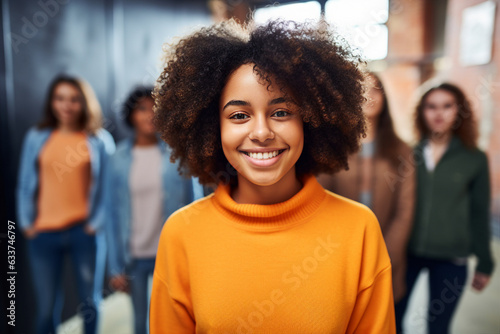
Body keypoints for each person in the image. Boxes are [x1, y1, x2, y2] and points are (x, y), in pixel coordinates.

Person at [149, 20, 396, 333]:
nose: (262, 133)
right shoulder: (181, 234)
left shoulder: (358, 229)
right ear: (213, 128)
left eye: (281, 112)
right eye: (239, 115)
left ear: (310, 120)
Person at [16, 75, 115, 334]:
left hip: (84, 233)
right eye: (60, 99)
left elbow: (108, 189)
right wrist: (26, 224)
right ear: (52, 102)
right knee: (46, 309)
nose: (66, 106)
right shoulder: (37, 137)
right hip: (43, 234)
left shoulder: (99, 140)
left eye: (73, 99)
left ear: (83, 103)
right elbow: (25, 184)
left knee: (91, 304)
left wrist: (96, 225)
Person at [395, 83, 495, 333]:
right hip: (407, 254)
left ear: (459, 111)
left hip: (452, 258)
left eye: (447, 106)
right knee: (392, 320)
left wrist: (485, 262)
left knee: (438, 327)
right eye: (431, 106)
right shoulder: (406, 153)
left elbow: (479, 212)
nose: (439, 113)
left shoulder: (474, 158)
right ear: (421, 112)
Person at [105, 86, 203, 334]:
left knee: (171, 323)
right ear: (131, 115)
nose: (149, 115)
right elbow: (112, 214)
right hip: (135, 256)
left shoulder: (177, 156)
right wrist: (115, 266)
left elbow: (194, 209)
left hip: (169, 255)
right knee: (140, 322)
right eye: (142, 109)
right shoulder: (117, 159)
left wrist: (195, 258)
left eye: (155, 109)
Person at [317, 72, 415, 303]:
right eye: (361, 90)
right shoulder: (334, 147)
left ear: (384, 97)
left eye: (376, 89)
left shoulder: (402, 150)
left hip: (386, 255)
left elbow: (405, 210)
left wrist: (384, 257)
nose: (369, 96)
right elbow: (321, 201)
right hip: (338, 255)